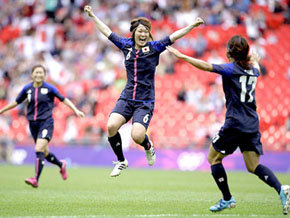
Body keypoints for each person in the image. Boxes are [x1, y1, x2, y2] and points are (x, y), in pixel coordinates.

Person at [166, 35, 290, 215]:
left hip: (235, 123)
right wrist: (253, 58)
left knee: (213, 158)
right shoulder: (254, 71)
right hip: (252, 124)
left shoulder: (230, 69)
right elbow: (255, 64)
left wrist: (182, 56)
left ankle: (227, 198)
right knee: (253, 166)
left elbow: (206, 66)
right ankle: (281, 189)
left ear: (229, 52)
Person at [84, 5, 204, 177]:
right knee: (111, 126)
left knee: (137, 136)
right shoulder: (125, 45)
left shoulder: (155, 47)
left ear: (149, 34)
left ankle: (148, 147)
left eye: (146, 31)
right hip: (127, 97)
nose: (143, 34)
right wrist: (92, 15)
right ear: (133, 33)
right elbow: (107, 31)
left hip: (145, 101)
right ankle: (121, 161)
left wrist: (192, 26)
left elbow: (174, 36)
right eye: (140, 31)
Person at [0, 64, 85, 188]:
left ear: (44, 75)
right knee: (44, 153)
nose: (39, 75)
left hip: (46, 123)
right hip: (33, 124)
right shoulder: (27, 89)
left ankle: (36, 179)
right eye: (36, 72)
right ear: (32, 74)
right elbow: (16, 102)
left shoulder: (50, 88)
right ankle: (61, 165)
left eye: (41, 73)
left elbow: (64, 99)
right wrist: (1, 111)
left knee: (39, 149)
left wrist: (76, 110)